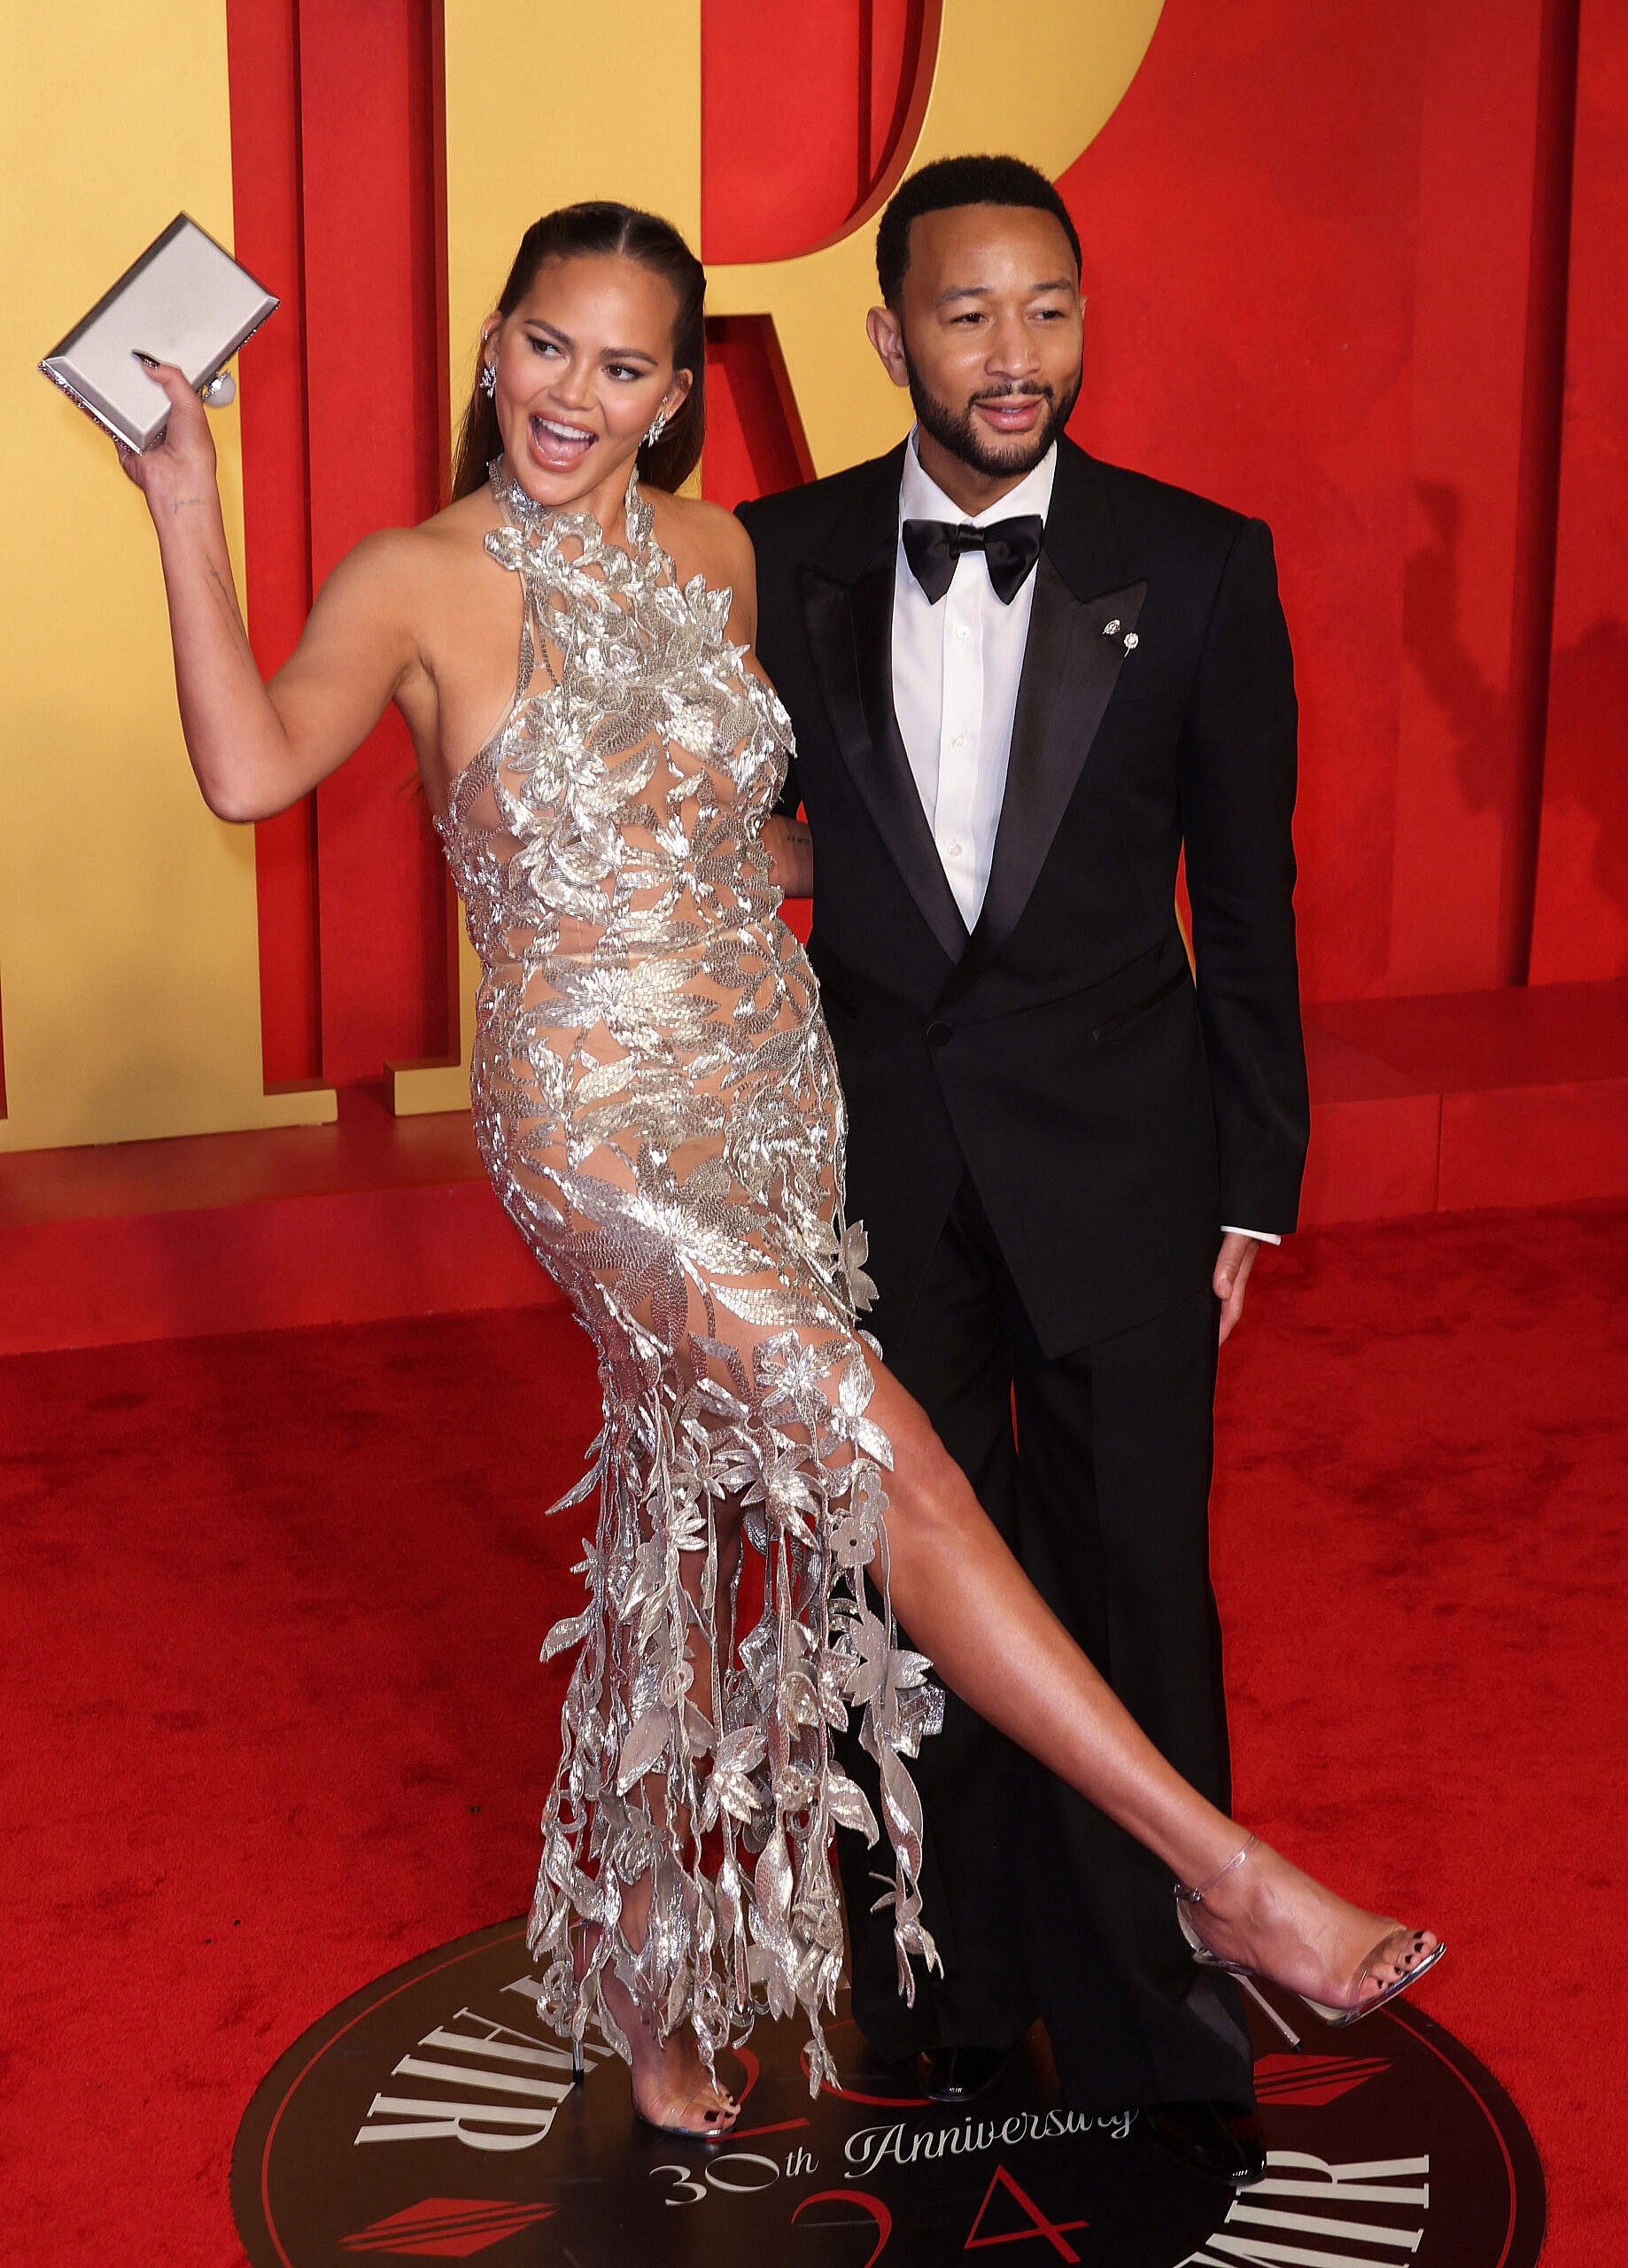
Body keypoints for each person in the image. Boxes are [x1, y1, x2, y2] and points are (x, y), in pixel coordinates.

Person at [120, 198, 1438, 2149]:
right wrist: (180, 493)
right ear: (493, 349)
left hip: (769, 1095)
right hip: (599, 1128)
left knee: (708, 1526)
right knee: (883, 1456)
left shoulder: (726, 555)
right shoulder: (415, 576)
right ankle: (1219, 1863)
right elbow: (247, 767)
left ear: (674, 402)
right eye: (550, 346)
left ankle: (655, 1986)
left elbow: (800, 845)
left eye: (629, 364)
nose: (580, 392)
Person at [739, 154, 1311, 2183]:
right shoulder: (776, 557)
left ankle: (1163, 2007)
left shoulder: (1202, 560)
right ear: (886, 335)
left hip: (1128, 1169)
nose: (1015, 353)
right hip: (877, 1164)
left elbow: (1247, 906)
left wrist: (1255, 1184)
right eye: (969, 314)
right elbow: (731, 837)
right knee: (895, 1600)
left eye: (1048, 307)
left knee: (1141, 1580)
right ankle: (940, 1989)